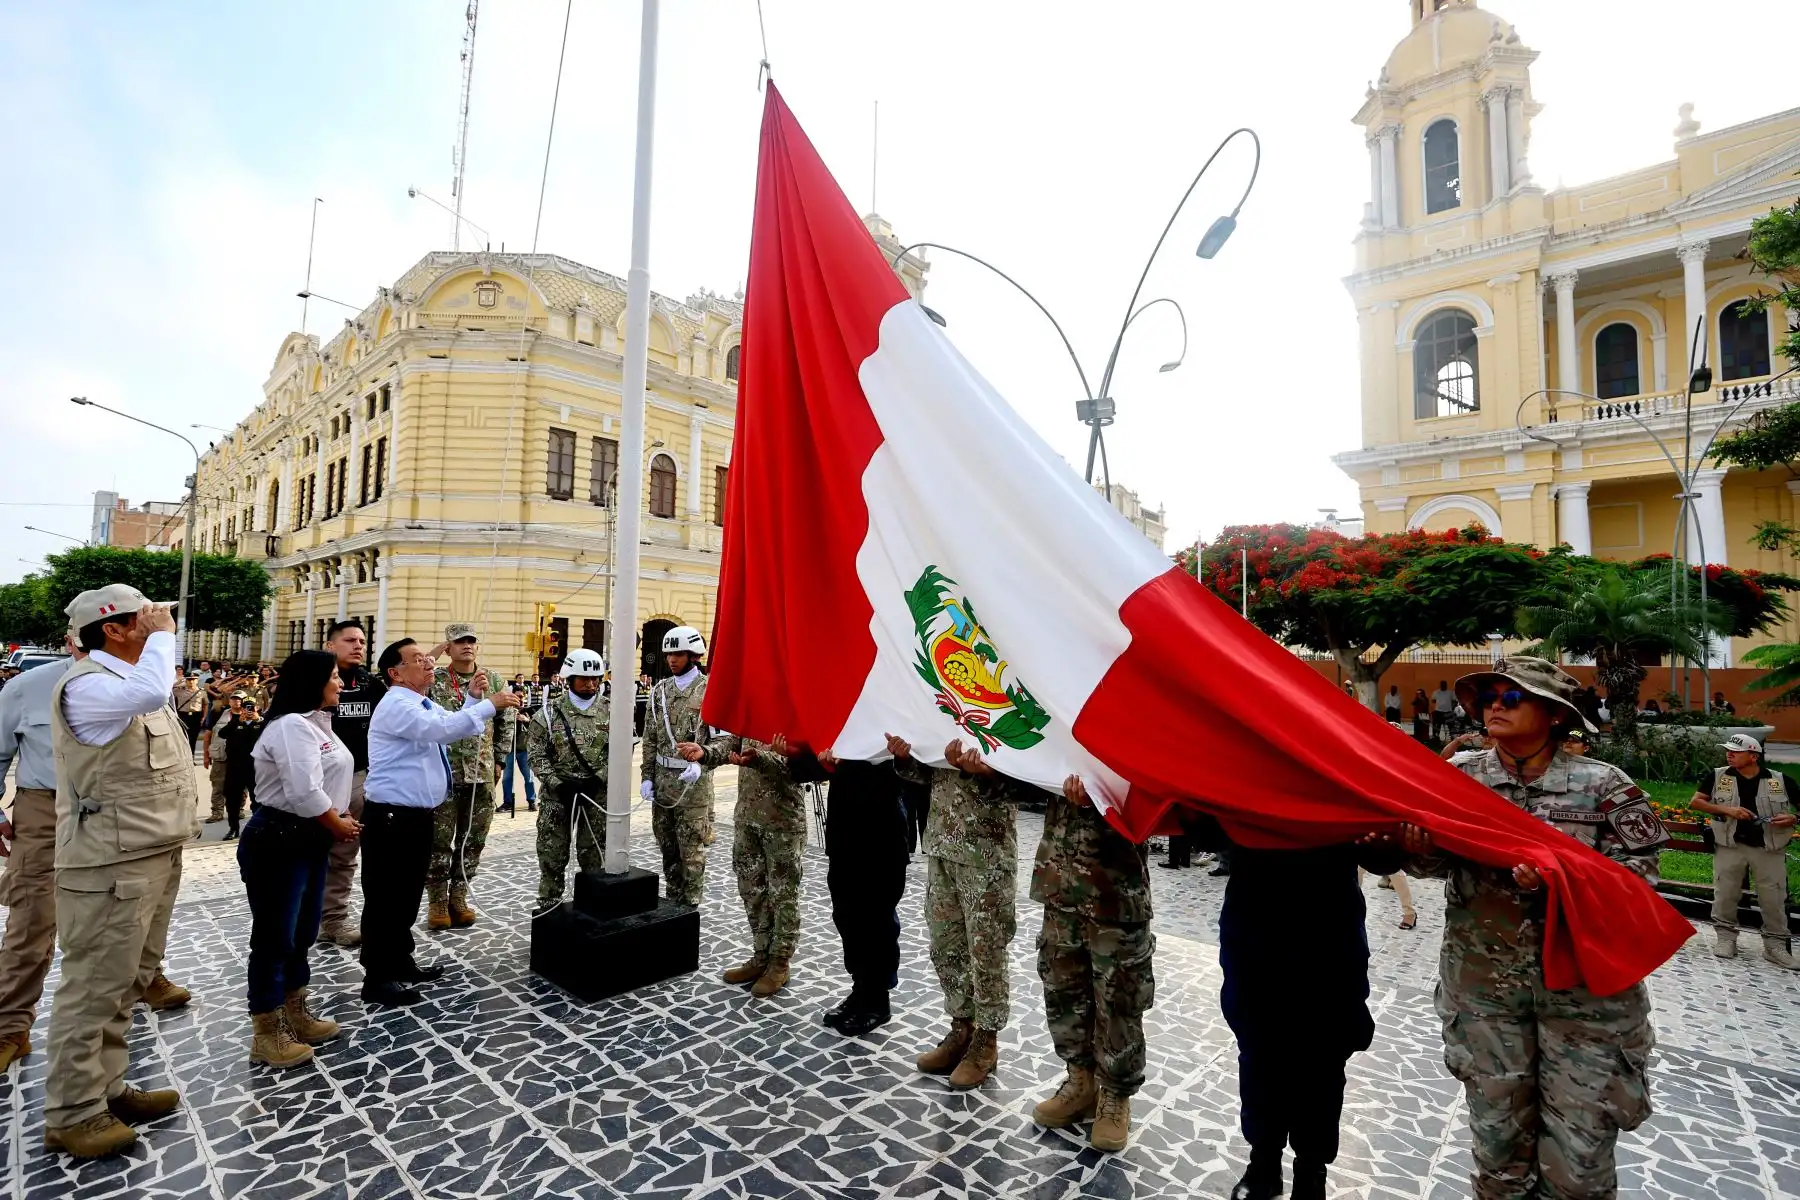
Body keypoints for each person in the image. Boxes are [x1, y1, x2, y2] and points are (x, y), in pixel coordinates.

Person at [1399, 657, 1665, 1199]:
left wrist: (1562, 881)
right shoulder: (1458, 779)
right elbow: (1432, 867)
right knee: (1498, 1152)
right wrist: (1415, 846)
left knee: (1580, 1163)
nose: (1496, 705)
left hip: (1586, 1003)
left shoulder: (1604, 785)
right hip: (1486, 995)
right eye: (1489, 696)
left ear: (1555, 715)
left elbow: (1640, 882)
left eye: (1513, 697)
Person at [42, 587, 197, 1159]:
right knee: (93, 990)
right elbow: (155, 687)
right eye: (148, 618)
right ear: (113, 628)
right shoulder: (90, 685)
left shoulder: (130, 682)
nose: (160, 624)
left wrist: (155, 640)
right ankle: (73, 1113)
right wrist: (162, 638)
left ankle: (105, 1088)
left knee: (129, 981)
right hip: (109, 863)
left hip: (149, 854)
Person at [1198, 810, 1406, 1200]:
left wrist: (1382, 843)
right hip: (1255, 922)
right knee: (1259, 1051)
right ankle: (1264, 1163)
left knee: (1324, 1058)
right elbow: (1209, 834)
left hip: (1328, 929)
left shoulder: (1341, 761)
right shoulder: (1243, 760)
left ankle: (1312, 1171)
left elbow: (1385, 856)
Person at [362, 638, 520, 1005]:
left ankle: (400, 962)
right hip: (391, 818)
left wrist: (474, 699)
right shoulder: (396, 705)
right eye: (418, 660)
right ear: (395, 673)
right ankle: (377, 977)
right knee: (386, 900)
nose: (428, 664)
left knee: (405, 896)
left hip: (414, 817)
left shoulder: (418, 701)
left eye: (427, 658)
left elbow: (450, 723)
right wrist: (489, 705)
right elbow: (441, 731)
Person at [896, 735, 1038, 1089]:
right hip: (943, 841)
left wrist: (985, 772)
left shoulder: (1001, 705)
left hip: (985, 853)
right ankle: (962, 1028)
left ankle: (986, 1043)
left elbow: (1029, 781)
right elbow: (927, 774)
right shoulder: (944, 704)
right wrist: (906, 758)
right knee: (946, 946)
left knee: (986, 951)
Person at [241, 650, 362, 1068]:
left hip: (308, 837)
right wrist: (337, 821)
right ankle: (267, 1030)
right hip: (280, 837)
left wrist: (336, 816)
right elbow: (303, 791)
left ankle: (296, 1008)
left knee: (302, 930)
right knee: (275, 935)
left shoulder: (314, 723)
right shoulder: (292, 725)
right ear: (312, 681)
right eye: (333, 677)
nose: (341, 683)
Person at [1030, 776, 1155, 1152]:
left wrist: (1103, 793)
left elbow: (1154, 792)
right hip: (1059, 879)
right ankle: (1080, 1081)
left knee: (1118, 996)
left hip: (1115, 885)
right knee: (1062, 986)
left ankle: (1116, 1095)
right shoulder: (1058, 721)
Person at [788, 744, 911, 1037]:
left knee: (877, 917)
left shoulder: (894, 713)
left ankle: (878, 1000)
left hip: (882, 829)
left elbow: (910, 773)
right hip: (845, 828)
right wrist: (804, 756)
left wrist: (867, 758)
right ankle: (860, 990)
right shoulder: (840, 716)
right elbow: (808, 770)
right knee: (847, 915)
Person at [0, 637, 79, 1071]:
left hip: (119, 813)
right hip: (44, 808)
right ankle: (10, 1027)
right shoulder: (28, 687)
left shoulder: (142, 688)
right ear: (73, 637)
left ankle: (144, 979)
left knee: (124, 918)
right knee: (31, 918)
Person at [425, 623, 512, 929]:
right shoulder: (434, 681)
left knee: (473, 839)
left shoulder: (492, 679)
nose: (467, 646)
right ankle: (436, 900)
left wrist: (500, 759)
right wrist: (432, 654)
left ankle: (458, 896)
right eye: (459, 642)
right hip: (444, 772)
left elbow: (506, 721)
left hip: (482, 772)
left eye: (471, 641)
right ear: (447, 647)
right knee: (439, 840)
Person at [640, 626, 730, 905]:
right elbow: (650, 738)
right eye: (669, 654)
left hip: (694, 787)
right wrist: (647, 777)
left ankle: (690, 906)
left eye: (678, 654)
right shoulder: (659, 692)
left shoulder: (711, 690)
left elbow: (726, 742)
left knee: (691, 852)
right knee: (668, 850)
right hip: (664, 787)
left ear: (693, 655)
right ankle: (672, 903)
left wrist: (703, 758)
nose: (672, 660)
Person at [1691, 734, 1797, 968]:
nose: (1729, 754)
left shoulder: (1779, 780)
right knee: (1726, 893)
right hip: (1730, 845)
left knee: (1773, 898)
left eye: (1735, 751)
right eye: (1727, 750)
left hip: (1768, 848)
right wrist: (1728, 811)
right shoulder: (1719, 776)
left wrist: (1793, 817)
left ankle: (1775, 946)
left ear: (1753, 756)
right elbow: (1696, 802)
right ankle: (1726, 938)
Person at [721, 733, 810, 998]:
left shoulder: (795, 710)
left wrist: (762, 758)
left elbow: (808, 769)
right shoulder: (750, 709)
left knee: (782, 895)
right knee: (752, 891)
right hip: (747, 817)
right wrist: (704, 752)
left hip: (782, 821)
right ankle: (761, 955)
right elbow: (731, 744)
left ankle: (780, 963)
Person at [526, 649, 609, 915]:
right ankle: (549, 906)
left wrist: (600, 778)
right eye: (584, 679)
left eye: (595, 678)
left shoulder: (612, 711)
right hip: (557, 797)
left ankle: (592, 907)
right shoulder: (548, 714)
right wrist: (556, 783)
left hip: (596, 795)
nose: (591, 684)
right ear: (569, 678)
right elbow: (536, 754)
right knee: (552, 853)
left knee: (594, 853)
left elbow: (621, 751)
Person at [320, 619, 381, 947]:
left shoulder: (369, 683)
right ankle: (321, 918)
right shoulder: (314, 680)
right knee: (321, 855)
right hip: (320, 781)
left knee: (347, 855)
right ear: (330, 645)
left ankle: (334, 919)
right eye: (349, 640)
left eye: (361, 640)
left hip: (361, 778)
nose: (358, 645)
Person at [216, 695, 266, 840]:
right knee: (232, 800)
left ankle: (259, 828)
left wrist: (257, 720)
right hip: (236, 767)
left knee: (258, 799)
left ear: (257, 708)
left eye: (252, 707)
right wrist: (237, 721)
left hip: (255, 768)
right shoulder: (236, 721)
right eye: (246, 707)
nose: (249, 710)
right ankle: (233, 828)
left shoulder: (262, 724)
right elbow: (222, 734)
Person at [497, 672, 539, 817]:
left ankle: (532, 800)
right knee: (507, 777)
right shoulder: (506, 711)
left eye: (522, 697)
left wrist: (527, 721)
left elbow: (538, 729)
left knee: (529, 777)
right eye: (517, 696)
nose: (520, 699)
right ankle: (507, 802)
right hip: (509, 749)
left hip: (524, 749)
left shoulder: (530, 711)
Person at [202, 690, 246, 824]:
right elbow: (207, 735)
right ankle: (217, 812)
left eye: (240, 699)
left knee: (240, 786)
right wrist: (206, 755)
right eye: (234, 699)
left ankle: (239, 809)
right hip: (221, 756)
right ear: (230, 701)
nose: (237, 701)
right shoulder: (218, 713)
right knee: (218, 785)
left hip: (240, 758)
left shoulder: (252, 715)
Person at [172, 670, 206, 750]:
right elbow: (169, 689)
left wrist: (204, 717)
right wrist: (179, 681)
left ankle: (191, 758)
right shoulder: (179, 690)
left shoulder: (202, 691)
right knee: (182, 737)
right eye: (189, 679)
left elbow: (205, 704)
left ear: (197, 680)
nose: (191, 682)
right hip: (183, 715)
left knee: (193, 737)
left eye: (193, 679)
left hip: (196, 716)